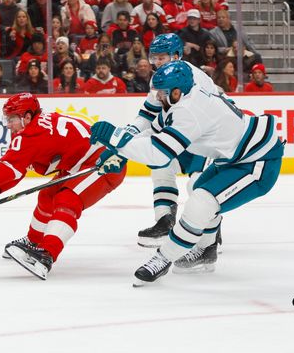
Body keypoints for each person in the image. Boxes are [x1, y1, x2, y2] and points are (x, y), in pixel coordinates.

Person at [89, 60, 283, 286]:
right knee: (198, 189)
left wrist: (116, 140)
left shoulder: (189, 112)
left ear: (177, 92)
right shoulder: (182, 98)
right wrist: (118, 151)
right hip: (236, 156)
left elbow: (159, 155)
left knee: (202, 203)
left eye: (162, 92)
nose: (157, 97)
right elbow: (153, 131)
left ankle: (162, 258)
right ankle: (205, 250)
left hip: (259, 161)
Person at [0, 93, 126, 280]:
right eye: (7, 118)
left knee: (67, 199)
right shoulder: (34, 127)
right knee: (47, 196)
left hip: (104, 163)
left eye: (12, 119)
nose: (8, 124)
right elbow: (17, 170)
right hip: (79, 163)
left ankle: (46, 255)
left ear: (27, 117)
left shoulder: (32, 133)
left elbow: (8, 168)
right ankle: (33, 242)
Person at [124, 33, 220, 248]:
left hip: (204, 139)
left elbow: (209, 115)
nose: (157, 63)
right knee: (160, 168)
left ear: (176, 56)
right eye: (154, 58)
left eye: (162, 58)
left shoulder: (196, 78)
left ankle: (210, 232)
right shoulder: (159, 78)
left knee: (198, 185)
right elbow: (148, 114)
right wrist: (126, 136)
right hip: (180, 135)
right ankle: (164, 222)